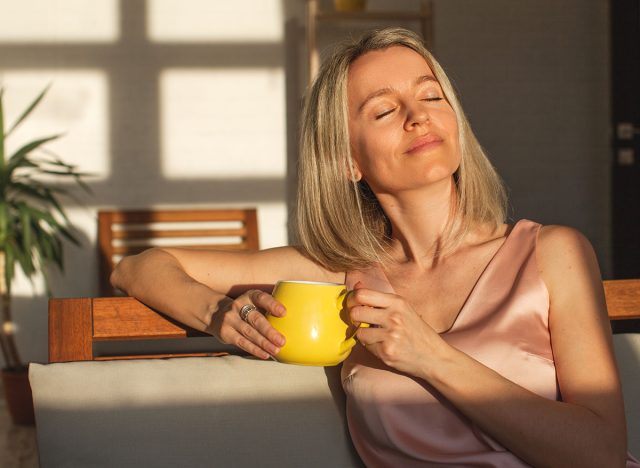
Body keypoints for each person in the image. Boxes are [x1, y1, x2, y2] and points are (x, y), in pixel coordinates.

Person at [112, 28, 638, 467]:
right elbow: (137, 267)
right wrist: (218, 313)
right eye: (384, 111)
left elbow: (602, 453)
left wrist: (431, 357)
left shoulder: (553, 253)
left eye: (432, 96)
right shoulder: (339, 276)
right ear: (348, 161)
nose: (418, 116)